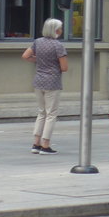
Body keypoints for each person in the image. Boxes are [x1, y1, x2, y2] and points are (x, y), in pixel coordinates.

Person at [22, 17, 68, 154]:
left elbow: (25, 56)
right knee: (51, 114)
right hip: (52, 82)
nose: (62, 30)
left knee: (41, 112)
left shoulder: (38, 42)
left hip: (38, 81)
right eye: (60, 28)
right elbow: (64, 67)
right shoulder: (58, 45)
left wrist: (39, 61)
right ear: (56, 30)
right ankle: (45, 145)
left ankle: (35, 143)